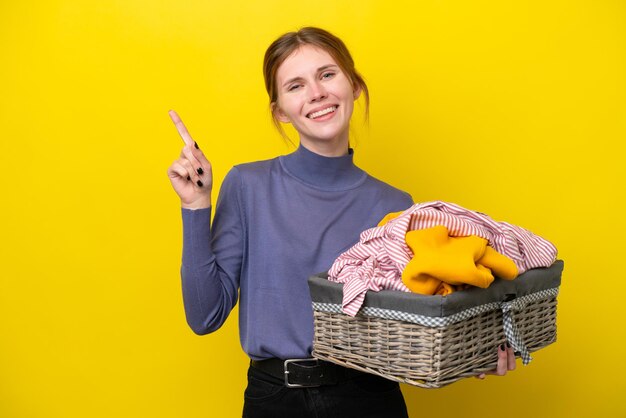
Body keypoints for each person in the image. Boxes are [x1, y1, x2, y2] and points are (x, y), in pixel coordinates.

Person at [167, 27, 515, 418]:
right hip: (274, 401)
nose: (316, 92)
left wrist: (474, 351)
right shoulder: (248, 186)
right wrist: (196, 206)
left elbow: (417, 319)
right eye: (295, 85)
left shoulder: (398, 206)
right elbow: (204, 315)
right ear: (280, 110)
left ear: (354, 85)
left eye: (327, 74)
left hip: (369, 397)